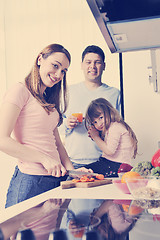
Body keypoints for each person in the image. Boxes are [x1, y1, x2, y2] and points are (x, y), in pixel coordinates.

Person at [0, 43, 90, 208]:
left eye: (63, 71)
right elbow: (2, 140)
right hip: (31, 180)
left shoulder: (49, 101)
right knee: (20, 234)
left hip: (56, 179)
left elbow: (57, 144)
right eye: (55, 66)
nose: (58, 74)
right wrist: (44, 159)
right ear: (40, 59)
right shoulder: (20, 91)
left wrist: (73, 172)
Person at [61, 45, 121, 169]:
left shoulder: (114, 94)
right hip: (73, 162)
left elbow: (119, 128)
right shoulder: (68, 92)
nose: (92, 66)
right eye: (88, 62)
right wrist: (67, 123)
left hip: (104, 161)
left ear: (104, 66)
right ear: (82, 65)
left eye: (97, 62)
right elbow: (55, 126)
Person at [84, 98, 138, 177]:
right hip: (116, 165)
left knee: (82, 172)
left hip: (115, 166)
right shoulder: (114, 127)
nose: (99, 123)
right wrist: (97, 137)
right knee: (83, 172)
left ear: (109, 112)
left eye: (101, 118)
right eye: (95, 122)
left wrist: (96, 137)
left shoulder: (115, 127)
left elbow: (109, 151)